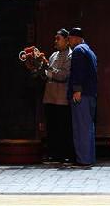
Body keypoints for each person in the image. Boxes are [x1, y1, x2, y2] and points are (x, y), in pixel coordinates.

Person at [40, 28, 74, 164]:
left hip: (61, 99)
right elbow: (48, 74)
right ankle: (53, 154)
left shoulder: (70, 56)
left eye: (58, 39)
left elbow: (63, 75)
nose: (55, 41)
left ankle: (63, 154)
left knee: (62, 128)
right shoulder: (54, 55)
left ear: (67, 41)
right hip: (50, 97)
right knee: (51, 127)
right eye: (55, 38)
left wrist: (48, 68)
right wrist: (40, 68)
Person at [68, 27, 98, 167]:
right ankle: (89, 158)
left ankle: (83, 159)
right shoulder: (89, 50)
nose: (69, 42)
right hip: (90, 94)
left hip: (82, 94)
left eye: (69, 39)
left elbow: (78, 72)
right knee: (88, 126)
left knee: (81, 128)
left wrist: (77, 90)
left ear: (75, 38)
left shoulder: (78, 50)